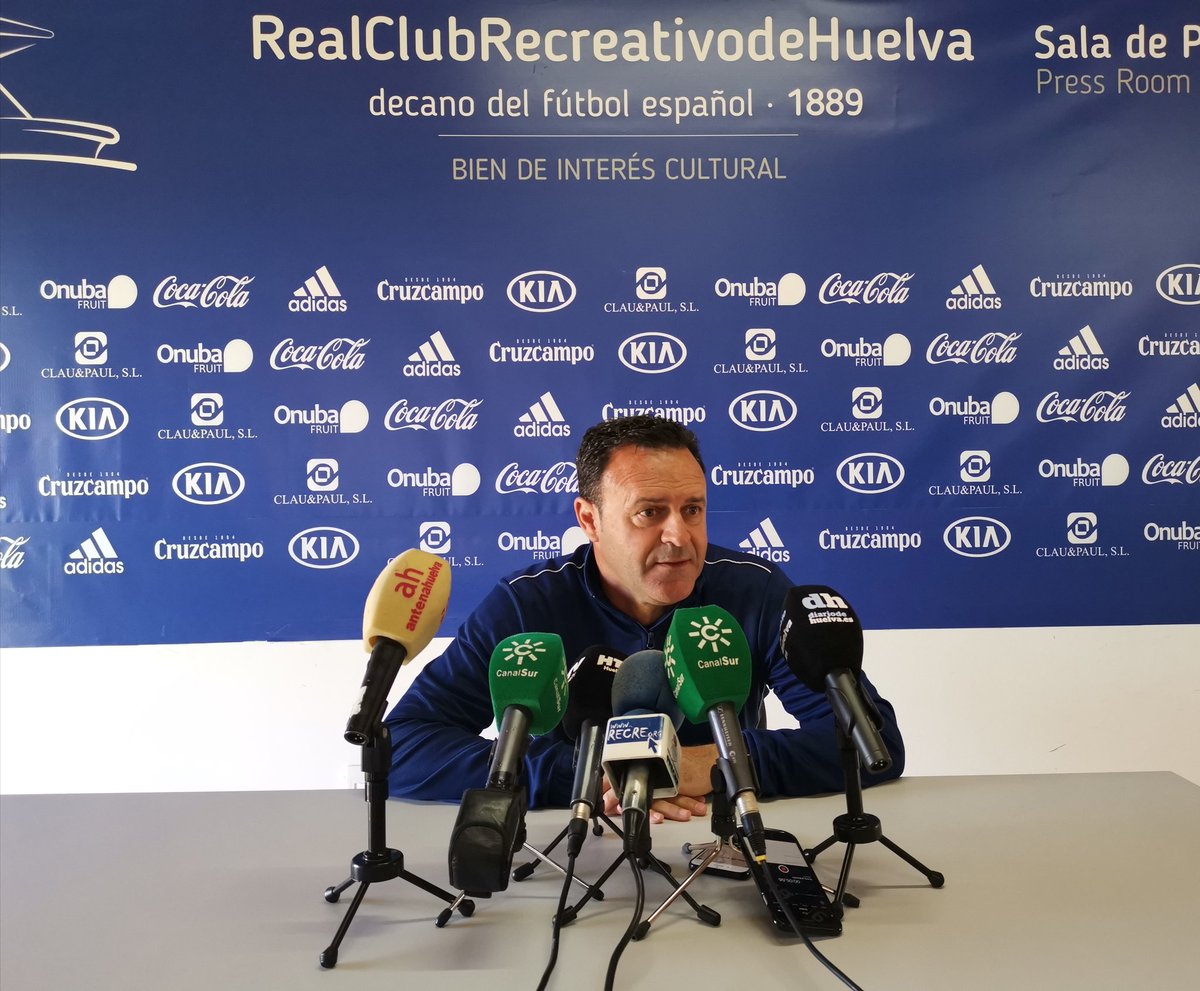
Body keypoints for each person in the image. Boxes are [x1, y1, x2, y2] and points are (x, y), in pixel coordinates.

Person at [385, 415, 903, 822]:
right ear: (590, 519)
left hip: (716, 831)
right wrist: (590, 774)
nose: (679, 536)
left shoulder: (755, 591)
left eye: (693, 510)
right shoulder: (528, 605)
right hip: (570, 840)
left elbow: (874, 743)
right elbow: (403, 747)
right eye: (649, 512)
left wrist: (718, 764)